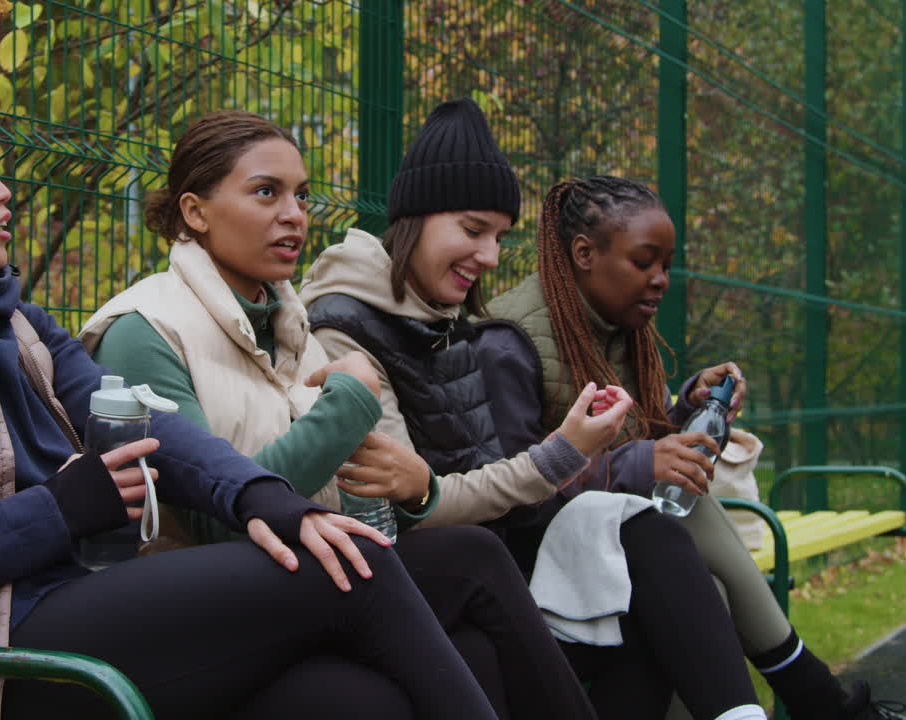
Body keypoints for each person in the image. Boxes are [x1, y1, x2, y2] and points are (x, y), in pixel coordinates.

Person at [0, 85, 508, 720]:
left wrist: (259, 496)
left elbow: (146, 424)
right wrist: (54, 512)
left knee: (346, 699)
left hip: (54, 612)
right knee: (345, 566)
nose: (4, 190)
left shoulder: (4, 317)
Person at [78, 108, 614, 720]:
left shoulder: (288, 323)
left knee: (473, 638)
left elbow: (365, 487)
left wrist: (411, 492)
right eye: (265, 192)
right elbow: (213, 522)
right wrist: (351, 404)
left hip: (308, 576)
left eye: (301, 196)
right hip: (202, 615)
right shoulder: (145, 331)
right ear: (196, 212)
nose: (293, 214)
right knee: (454, 588)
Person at [299, 98, 769, 720]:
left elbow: (461, 485)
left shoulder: (449, 321)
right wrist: (568, 450)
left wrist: (627, 431)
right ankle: (810, 691)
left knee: (649, 577)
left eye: (499, 236)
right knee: (638, 575)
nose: (490, 256)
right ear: (414, 219)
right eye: (473, 231)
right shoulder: (350, 331)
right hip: (440, 577)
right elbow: (412, 504)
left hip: (499, 562)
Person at [478, 174, 906, 720]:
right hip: (536, 570)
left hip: (610, 549)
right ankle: (818, 697)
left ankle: (815, 697)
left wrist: (687, 411)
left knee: (710, 592)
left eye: (667, 265)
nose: (661, 280)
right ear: (584, 253)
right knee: (690, 524)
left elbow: (633, 445)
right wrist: (641, 462)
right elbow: (510, 491)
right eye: (644, 262)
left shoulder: (611, 327)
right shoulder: (508, 340)